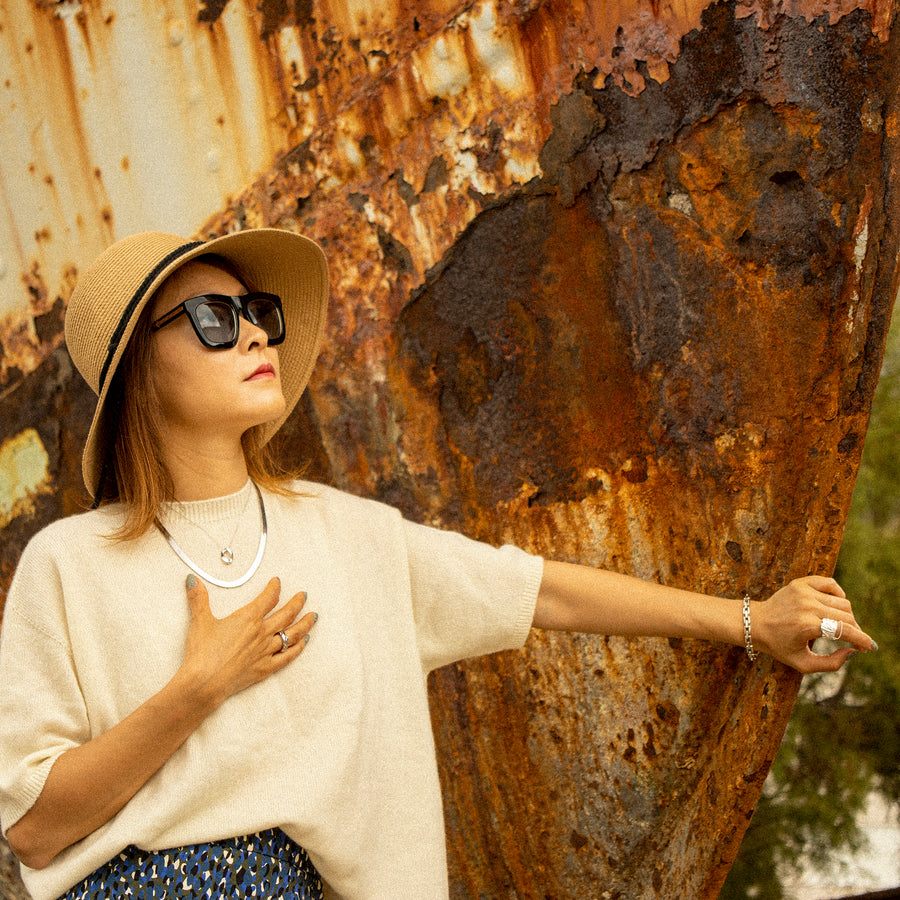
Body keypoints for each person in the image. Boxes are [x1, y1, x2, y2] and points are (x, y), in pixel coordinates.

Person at [0, 228, 877, 900]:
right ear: (139, 371)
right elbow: (35, 830)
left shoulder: (347, 537)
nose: (255, 337)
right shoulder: (67, 565)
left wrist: (752, 618)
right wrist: (195, 690)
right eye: (213, 320)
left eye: (257, 313)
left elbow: (537, 591)